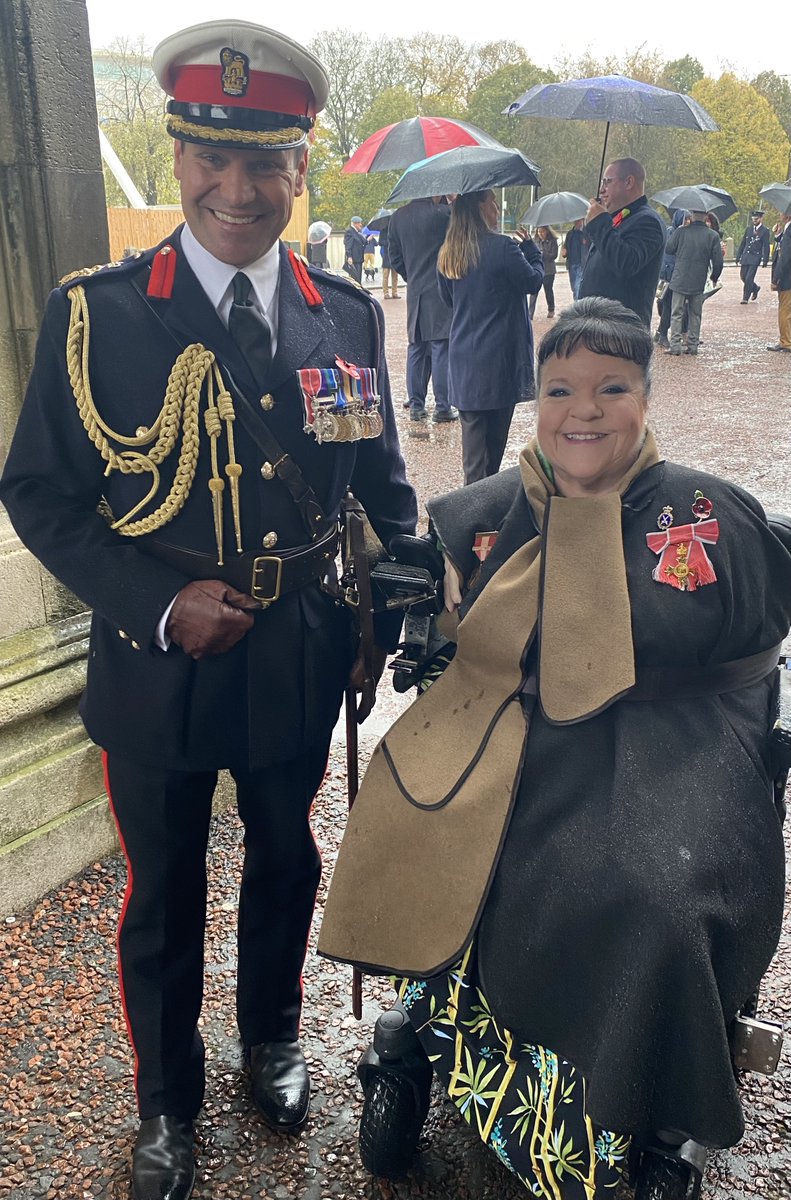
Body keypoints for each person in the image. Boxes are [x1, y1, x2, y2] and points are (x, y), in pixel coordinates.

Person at [0, 20, 417, 1200]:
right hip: (161, 665)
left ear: (302, 167)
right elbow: (38, 491)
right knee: (166, 893)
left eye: (266, 162)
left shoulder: (346, 313)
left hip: (297, 651)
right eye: (209, 158)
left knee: (286, 861)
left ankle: (273, 1041)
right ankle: (165, 1104)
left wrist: (395, 597)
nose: (236, 190)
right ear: (177, 155)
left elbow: (382, 489)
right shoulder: (100, 315)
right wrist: (155, 601)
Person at [320, 297, 791, 1197]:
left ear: (645, 396)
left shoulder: (711, 513)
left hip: (675, 744)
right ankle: (451, 1039)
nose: (585, 409)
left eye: (611, 387)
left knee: (651, 888)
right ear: (534, 398)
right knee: (449, 835)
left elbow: (757, 653)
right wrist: (411, 599)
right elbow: (443, 650)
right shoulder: (481, 516)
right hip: (512, 731)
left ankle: (634, 1099)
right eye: (561, 389)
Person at [436, 190, 544, 484]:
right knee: (492, 455)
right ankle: (482, 519)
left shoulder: (449, 253)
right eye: (492, 202)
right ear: (480, 208)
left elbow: (449, 300)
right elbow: (533, 281)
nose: (497, 208)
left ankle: (471, 517)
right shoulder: (503, 247)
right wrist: (533, 251)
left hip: (464, 360)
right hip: (498, 360)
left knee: (473, 459)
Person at [387, 195, 458, 423]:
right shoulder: (444, 214)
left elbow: (395, 258)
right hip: (440, 288)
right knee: (440, 347)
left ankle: (417, 405)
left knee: (416, 348)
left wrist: (413, 277)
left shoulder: (398, 217)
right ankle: (442, 407)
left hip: (415, 290)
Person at [578, 157, 666, 328]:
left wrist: (600, 222)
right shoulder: (621, 218)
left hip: (622, 332)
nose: (601, 190)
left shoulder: (648, 221)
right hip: (599, 326)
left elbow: (626, 262)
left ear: (629, 182)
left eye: (607, 182)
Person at [664, 209, 723, 356]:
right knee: (695, 314)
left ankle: (675, 345)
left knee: (676, 312)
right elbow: (718, 261)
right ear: (706, 217)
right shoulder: (712, 235)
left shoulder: (681, 232)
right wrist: (714, 277)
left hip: (679, 278)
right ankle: (693, 345)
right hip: (698, 278)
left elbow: (669, 248)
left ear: (691, 217)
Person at [654, 208, 688, 349]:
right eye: (685, 219)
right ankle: (662, 334)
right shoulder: (673, 233)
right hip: (669, 274)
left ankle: (661, 333)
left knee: (669, 305)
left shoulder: (675, 232)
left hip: (671, 273)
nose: (687, 222)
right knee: (668, 305)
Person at [767, 210, 791, 352]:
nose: (779, 214)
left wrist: (776, 278)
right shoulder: (786, 231)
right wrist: (779, 235)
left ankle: (786, 341)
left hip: (787, 278)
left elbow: (785, 257)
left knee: (784, 311)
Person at [736, 210, 771, 303]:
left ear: (761, 218)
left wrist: (765, 260)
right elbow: (743, 243)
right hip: (746, 256)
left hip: (755, 257)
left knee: (749, 278)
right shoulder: (748, 229)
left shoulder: (765, 231)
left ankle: (745, 298)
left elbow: (766, 245)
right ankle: (755, 288)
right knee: (743, 276)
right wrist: (738, 256)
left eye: (756, 218)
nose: (754, 220)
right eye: (753, 218)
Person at [528, 225, 559, 318]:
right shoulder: (535, 241)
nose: (540, 234)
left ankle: (551, 309)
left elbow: (554, 255)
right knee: (533, 292)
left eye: (542, 232)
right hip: (537, 269)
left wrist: (543, 253)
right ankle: (530, 313)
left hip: (549, 270)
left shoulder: (553, 241)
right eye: (539, 232)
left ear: (547, 231)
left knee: (548, 290)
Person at [561, 218, 590, 299]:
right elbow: (565, 247)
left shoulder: (586, 233)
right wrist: (564, 252)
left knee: (578, 286)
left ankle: (578, 304)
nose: (577, 222)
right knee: (574, 287)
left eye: (579, 220)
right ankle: (576, 303)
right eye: (575, 220)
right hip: (571, 263)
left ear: (583, 220)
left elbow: (590, 246)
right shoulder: (570, 234)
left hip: (581, 263)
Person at [344, 216, 366, 283]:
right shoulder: (349, 231)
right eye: (359, 223)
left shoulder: (357, 232)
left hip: (358, 259)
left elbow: (363, 242)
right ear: (355, 224)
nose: (360, 225)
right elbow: (348, 245)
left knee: (358, 278)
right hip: (354, 259)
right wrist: (349, 257)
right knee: (355, 279)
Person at [379, 225, 400, 299]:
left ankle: (394, 292)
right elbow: (380, 242)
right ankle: (386, 293)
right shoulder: (383, 230)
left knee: (395, 276)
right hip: (386, 256)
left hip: (394, 255)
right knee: (385, 276)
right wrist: (388, 242)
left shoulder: (395, 230)